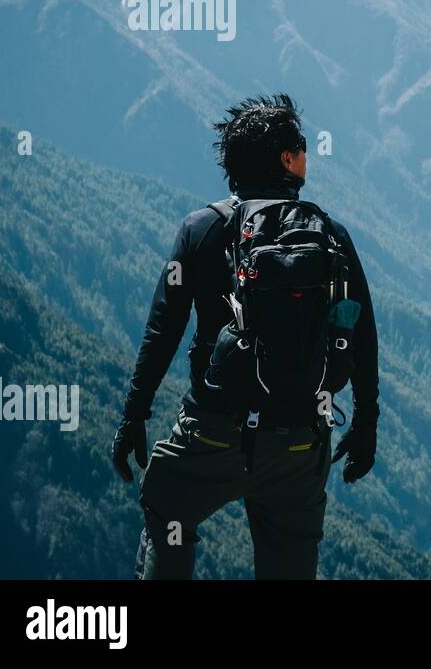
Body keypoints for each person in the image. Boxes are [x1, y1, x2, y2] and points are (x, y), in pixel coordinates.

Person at [110, 94, 379, 579]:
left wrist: (134, 415)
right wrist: (365, 425)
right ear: (286, 159)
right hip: (298, 442)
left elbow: (162, 332)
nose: (307, 156)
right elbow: (362, 335)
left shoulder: (200, 230)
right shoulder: (330, 235)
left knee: (167, 518)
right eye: (303, 147)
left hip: (211, 434)